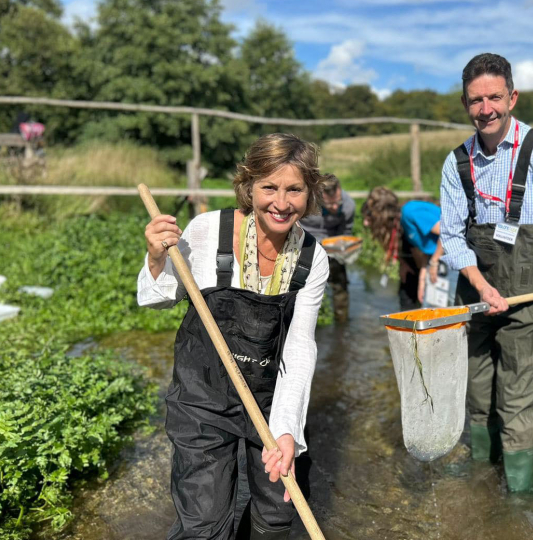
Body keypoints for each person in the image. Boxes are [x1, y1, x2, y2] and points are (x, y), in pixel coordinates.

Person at [137, 133, 330, 540]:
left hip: (269, 399)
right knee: (204, 523)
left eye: (294, 189)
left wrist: (286, 430)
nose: (281, 202)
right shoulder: (207, 230)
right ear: (248, 186)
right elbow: (159, 297)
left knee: (276, 517)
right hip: (201, 398)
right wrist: (156, 257)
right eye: (269, 188)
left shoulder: (314, 259)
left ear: (309, 192)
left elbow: (299, 347)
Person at [439, 52, 533, 492]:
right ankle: (483, 479)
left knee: (518, 397)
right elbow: (454, 239)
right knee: (478, 390)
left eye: (494, 97)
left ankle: (519, 497)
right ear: (465, 104)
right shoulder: (455, 163)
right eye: (476, 100)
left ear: (512, 97)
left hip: (532, 297)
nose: (486, 109)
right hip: (477, 295)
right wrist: (482, 287)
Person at [361, 187, 451, 310]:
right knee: (429, 308)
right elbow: (427, 248)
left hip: (453, 257)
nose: (366, 223)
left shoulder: (410, 212)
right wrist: (423, 277)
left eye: (370, 216)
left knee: (444, 310)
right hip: (437, 258)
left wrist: (434, 262)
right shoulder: (403, 224)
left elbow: (448, 232)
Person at [299, 173, 355, 322]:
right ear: (319, 196)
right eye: (330, 205)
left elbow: (345, 232)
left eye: (338, 202)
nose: (335, 207)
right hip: (305, 247)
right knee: (303, 289)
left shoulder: (348, 205)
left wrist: (345, 247)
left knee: (340, 286)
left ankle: (341, 322)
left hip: (333, 250)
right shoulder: (306, 201)